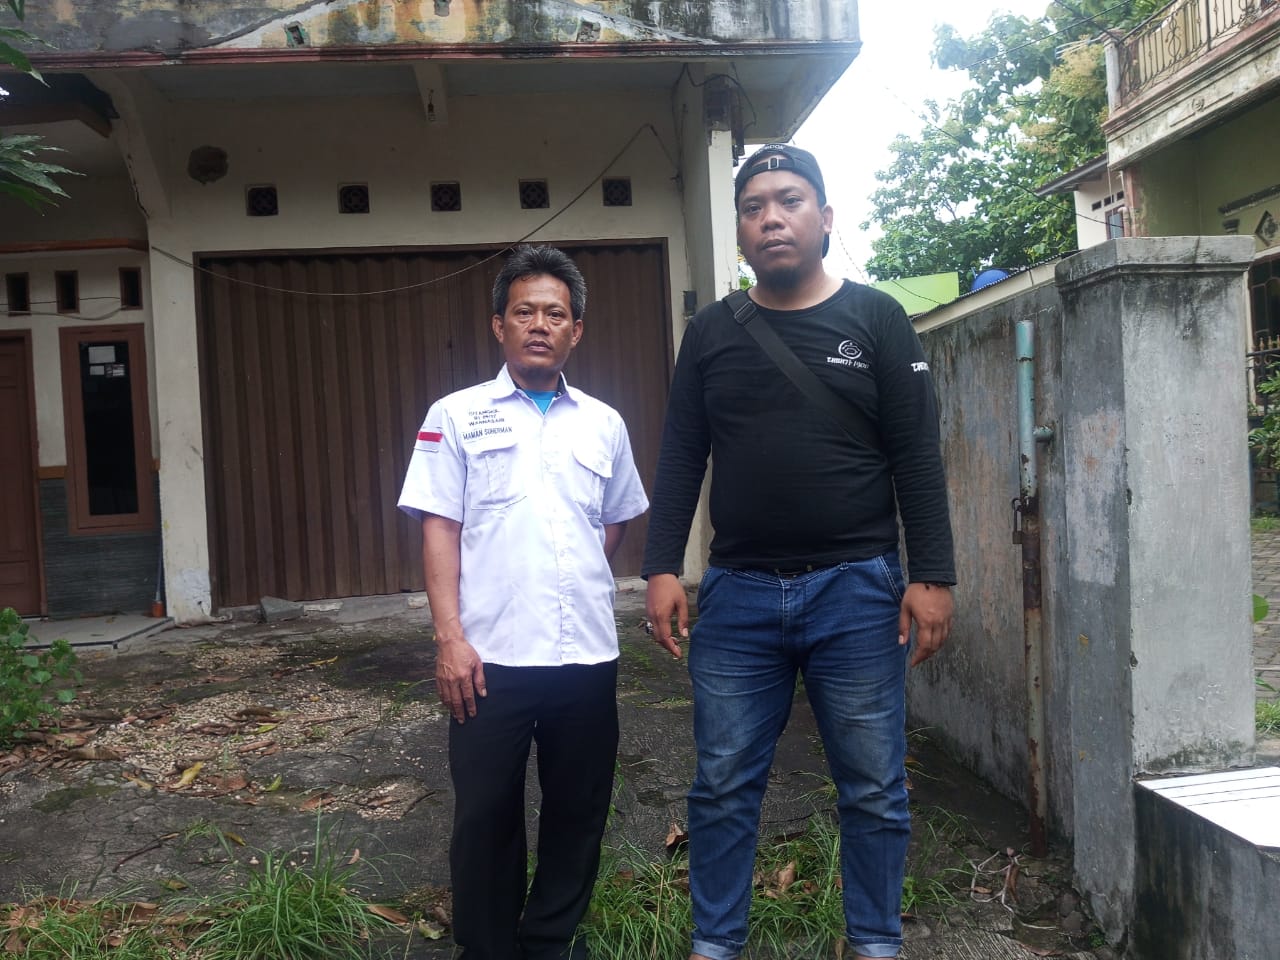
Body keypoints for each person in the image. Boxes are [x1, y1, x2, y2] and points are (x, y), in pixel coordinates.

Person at [642, 144, 956, 960]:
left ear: (824, 217)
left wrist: (932, 575)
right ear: (741, 231)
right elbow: (681, 453)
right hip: (738, 595)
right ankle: (715, 943)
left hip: (858, 592)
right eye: (753, 208)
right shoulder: (711, 331)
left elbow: (917, 455)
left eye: (789, 200)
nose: (771, 218)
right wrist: (662, 565)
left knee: (874, 786)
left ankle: (875, 942)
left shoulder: (876, 318)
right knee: (721, 785)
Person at [398, 244, 649, 960]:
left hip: (585, 655)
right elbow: (439, 528)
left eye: (556, 314)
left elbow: (614, 519)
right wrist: (449, 638)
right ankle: (487, 946)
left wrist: (569, 574)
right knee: (485, 814)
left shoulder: (604, 423)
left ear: (577, 330)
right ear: (498, 325)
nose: (540, 325)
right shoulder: (455, 415)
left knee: (579, 812)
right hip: (489, 657)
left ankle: (548, 941)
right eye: (525, 312)